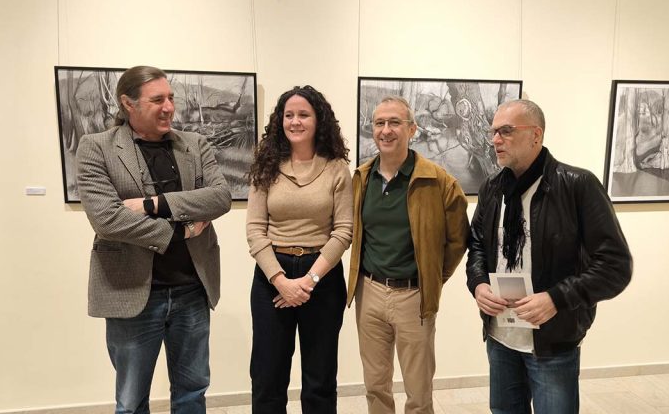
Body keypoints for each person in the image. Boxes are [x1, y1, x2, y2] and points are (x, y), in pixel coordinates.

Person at [76, 65, 232, 413]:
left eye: (171, 98)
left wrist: (154, 204)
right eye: (158, 99)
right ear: (128, 104)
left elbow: (220, 197)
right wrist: (180, 229)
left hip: (192, 289)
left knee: (192, 391)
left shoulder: (195, 144)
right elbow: (107, 219)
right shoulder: (96, 148)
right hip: (131, 292)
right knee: (131, 401)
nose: (169, 107)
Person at [465, 99, 633, 414]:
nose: (495, 140)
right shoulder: (492, 188)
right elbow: (476, 243)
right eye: (494, 132)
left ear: (536, 135)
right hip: (501, 334)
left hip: (553, 339)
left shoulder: (577, 185)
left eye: (506, 131)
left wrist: (556, 298)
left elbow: (615, 266)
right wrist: (478, 283)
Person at [347, 96, 470, 414]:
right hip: (369, 293)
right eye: (379, 123)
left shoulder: (439, 181)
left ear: (412, 129)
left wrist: (431, 277)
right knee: (375, 386)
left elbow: (458, 240)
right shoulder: (361, 178)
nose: (386, 131)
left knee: (418, 392)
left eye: (394, 123)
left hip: (414, 296)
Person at [246, 85, 353, 413]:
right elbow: (254, 230)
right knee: (267, 377)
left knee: (320, 380)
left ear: (319, 120)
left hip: (322, 275)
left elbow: (344, 231)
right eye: (288, 115)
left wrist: (309, 281)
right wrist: (281, 282)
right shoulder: (265, 164)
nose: (295, 121)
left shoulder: (336, 167)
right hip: (271, 277)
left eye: (303, 114)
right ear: (280, 121)